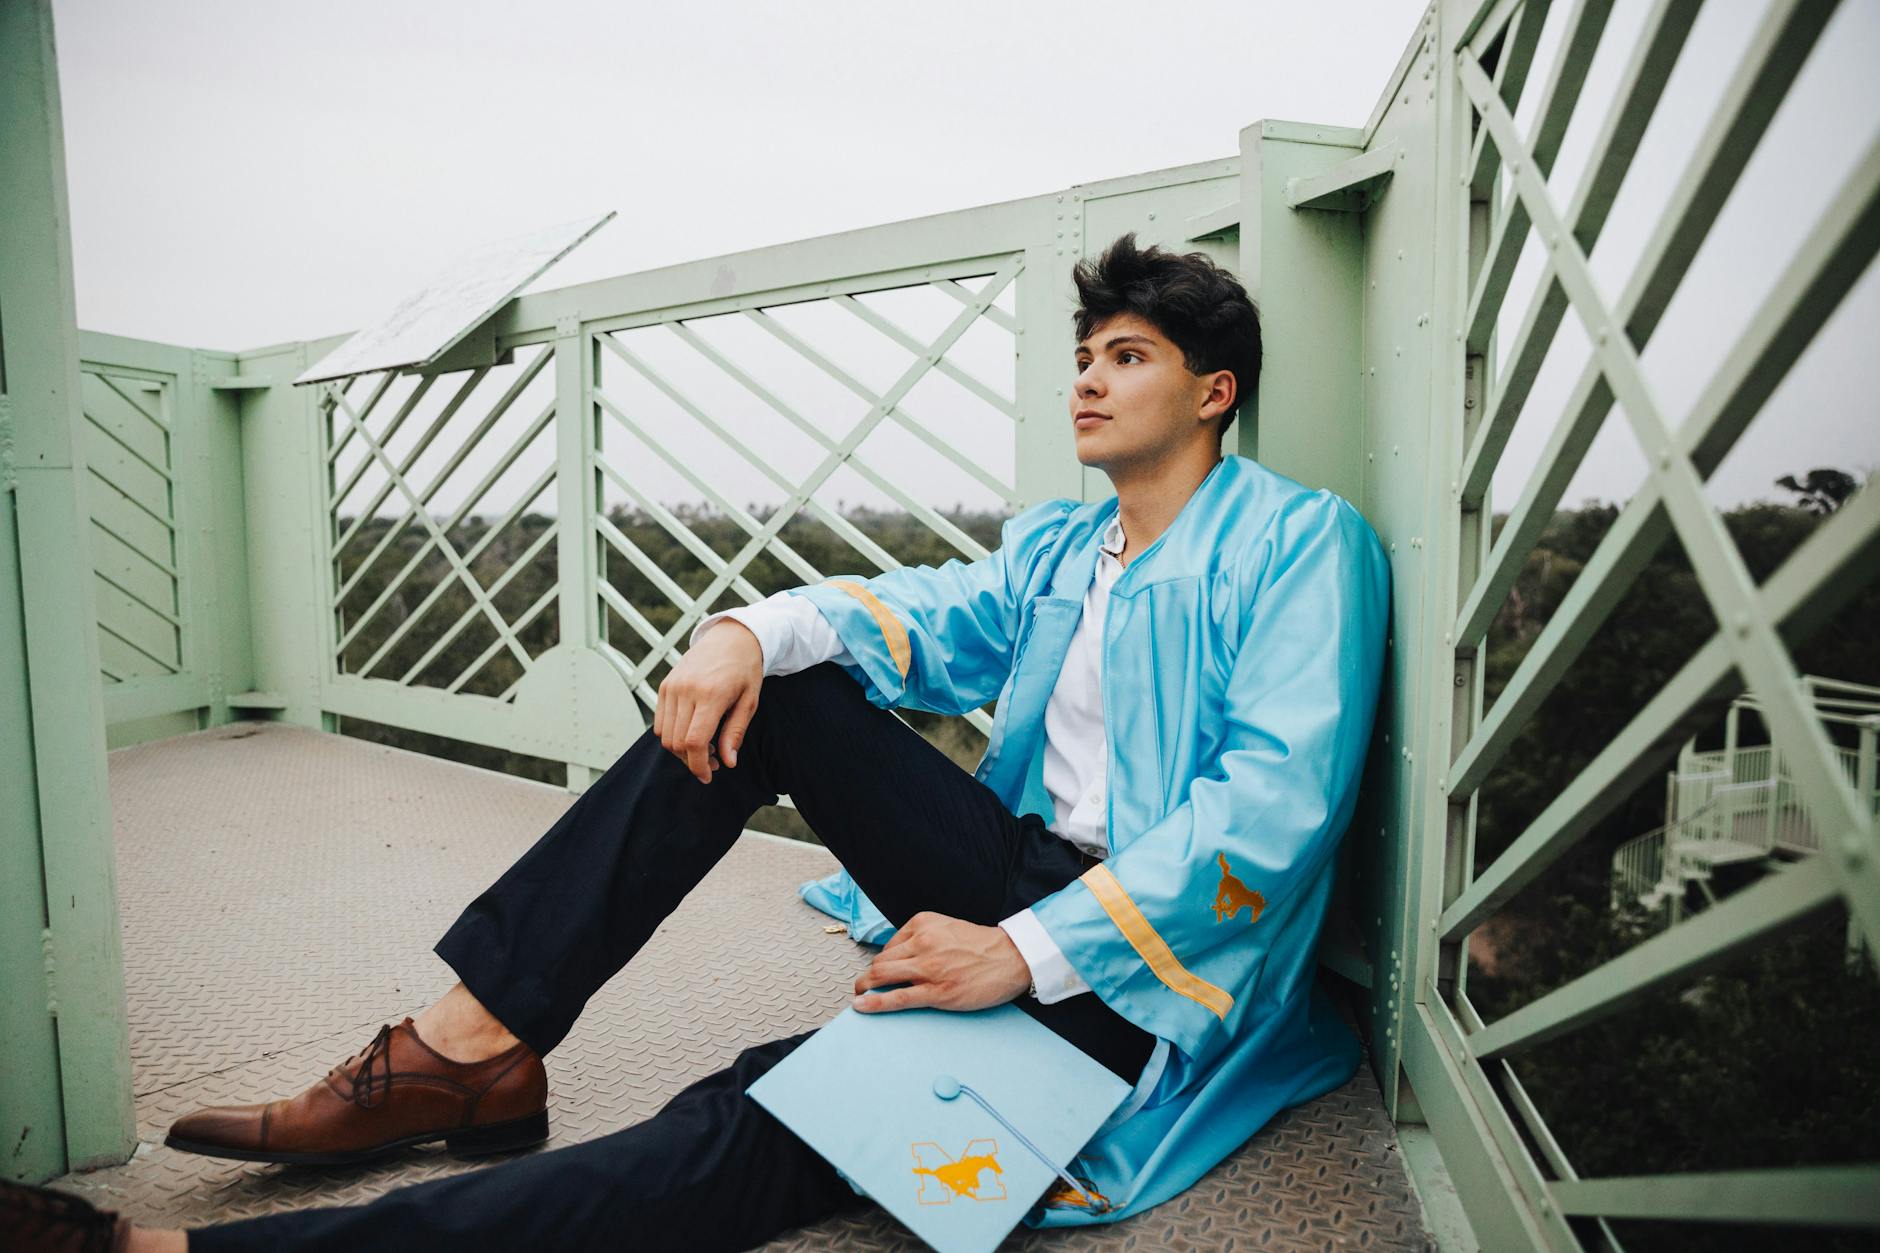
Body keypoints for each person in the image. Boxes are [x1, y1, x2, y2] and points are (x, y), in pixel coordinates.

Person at [3, 232, 1389, 1253]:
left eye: (1128, 356)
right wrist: (748, 626)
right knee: (772, 688)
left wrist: (1014, 952)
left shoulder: (1299, 544)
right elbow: (920, 620)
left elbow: (1269, 813)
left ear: (1215, 392)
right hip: (1014, 868)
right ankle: (471, 1038)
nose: (1088, 380)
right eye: (1083, 355)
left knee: (762, 1117)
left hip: (1144, 969)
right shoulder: (1067, 542)